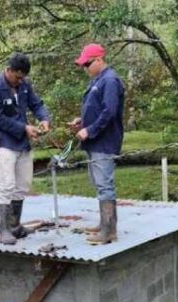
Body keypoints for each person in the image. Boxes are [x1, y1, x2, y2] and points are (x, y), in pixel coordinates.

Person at [0, 53, 51, 245]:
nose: (20, 80)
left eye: (23, 77)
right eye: (18, 76)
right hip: (4, 142)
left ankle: (15, 226)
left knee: (22, 185)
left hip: (23, 143)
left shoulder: (24, 86)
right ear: (9, 70)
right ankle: (3, 230)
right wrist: (24, 128)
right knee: (6, 186)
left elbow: (36, 104)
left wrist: (44, 119)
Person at [69, 43, 125, 244]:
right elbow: (96, 109)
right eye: (83, 65)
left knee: (105, 185)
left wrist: (89, 130)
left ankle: (109, 230)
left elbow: (109, 112)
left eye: (88, 64)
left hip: (104, 141)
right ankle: (104, 224)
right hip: (94, 141)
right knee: (99, 184)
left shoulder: (110, 80)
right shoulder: (98, 80)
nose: (85, 68)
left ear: (99, 59)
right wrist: (82, 122)